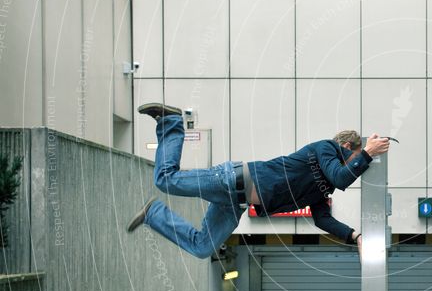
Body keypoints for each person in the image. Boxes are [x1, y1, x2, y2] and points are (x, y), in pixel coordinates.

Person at [126, 103, 390, 259]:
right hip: (231, 179)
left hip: (234, 202)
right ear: (346, 146)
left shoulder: (321, 186)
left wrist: (355, 236)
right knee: (166, 180)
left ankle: (154, 214)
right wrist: (368, 153)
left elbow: (322, 218)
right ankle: (171, 122)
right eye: (355, 156)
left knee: (203, 248)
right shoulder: (325, 149)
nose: (357, 165)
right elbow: (341, 176)